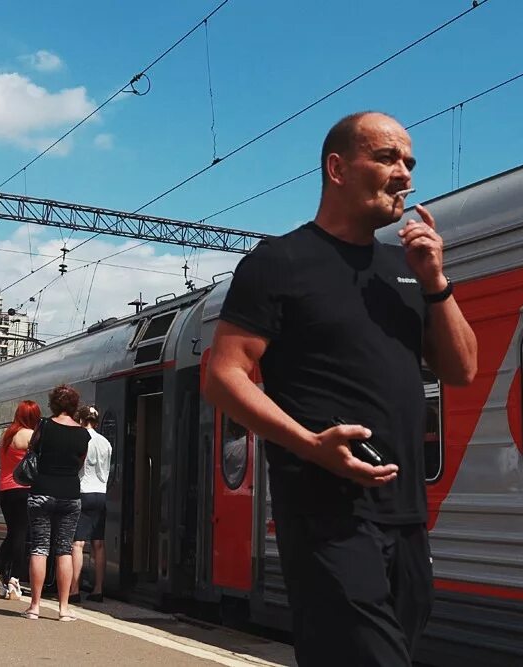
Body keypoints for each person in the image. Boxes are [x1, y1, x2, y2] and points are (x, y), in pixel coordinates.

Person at [203, 111, 477, 666]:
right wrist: (310, 444)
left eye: (409, 163)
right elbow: (222, 374)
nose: (404, 174)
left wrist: (436, 284)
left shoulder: (404, 268)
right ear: (337, 168)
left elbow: (462, 369)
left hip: (406, 515)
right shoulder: (278, 261)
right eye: (387, 158)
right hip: (325, 512)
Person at [22, 384, 89, 622]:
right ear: (74, 406)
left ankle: (35, 606)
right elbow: (80, 463)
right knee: (64, 550)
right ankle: (63, 609)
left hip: (42, 491)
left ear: (52, 404)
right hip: (70, 494)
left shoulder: (44, 425)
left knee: (39, 548)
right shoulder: (83, 434)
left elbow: (33, 448)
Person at [0, 400, 41, 601]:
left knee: (12, 533)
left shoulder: (7, 436)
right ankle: (14, 580)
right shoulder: (30, 436)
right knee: (22, 534)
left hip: (5, 490)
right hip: (23, 489)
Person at [69, 404, 112, 604]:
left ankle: (74, 589)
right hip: (101, 494)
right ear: (95, 421)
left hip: (83, 492)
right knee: (99, 543)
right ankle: (98, 589)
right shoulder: (106, 443)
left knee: (77, 544)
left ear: (80, 420)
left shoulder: (80, 439)